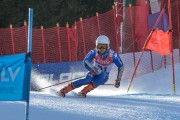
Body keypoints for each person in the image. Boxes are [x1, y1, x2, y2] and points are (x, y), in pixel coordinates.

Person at [59, 35, 124, 98]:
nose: (101, 49)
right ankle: (66, 89)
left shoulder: (113, 55)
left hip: (104, 76)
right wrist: (93, 69)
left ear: (108, 46)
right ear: (96, 46)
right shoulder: (94, 52)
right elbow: (85, 62)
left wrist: (118, 79)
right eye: (99, 46)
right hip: (94, 71)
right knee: (87, 80)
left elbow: (121, 66)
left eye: (104, 46)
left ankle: (85, 90)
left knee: (103, 75)